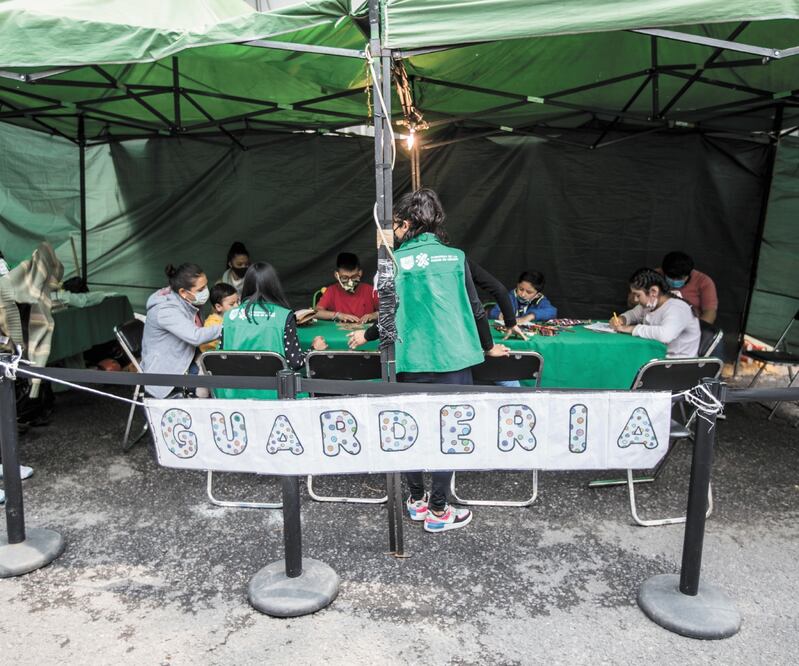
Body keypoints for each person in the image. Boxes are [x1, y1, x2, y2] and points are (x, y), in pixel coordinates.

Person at [348, 188, 510, 533]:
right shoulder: (456, 257)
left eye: (397, 223)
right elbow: (477, 308)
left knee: (408, 429)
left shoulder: (393, 261)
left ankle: (417, 499)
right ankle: (439, 510)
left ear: (406, 223)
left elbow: (389, 313)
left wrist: (367, 335)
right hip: (452, 360)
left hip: (408, 359)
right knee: (448, 433)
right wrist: (488, 346)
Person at [218, 262, 327, 400]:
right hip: (276, 396)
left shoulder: (229, 316)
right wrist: (313, 349)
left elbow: (220, 357)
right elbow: (295, 363)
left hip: (234, 395)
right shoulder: (284, 315)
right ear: (274, 285)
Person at [142, 263, 221, 398]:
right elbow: (195, 336)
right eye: (201, 289)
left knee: (218, 365)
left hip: (185, 357)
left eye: (206, 286)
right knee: (217, 376)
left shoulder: (188, 302)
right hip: (168, 371)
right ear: (183, 292)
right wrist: (229, 327)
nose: (206, 291)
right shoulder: (166, 310)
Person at [611, 268, 700, 357]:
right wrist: (622, 319)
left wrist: (630, 329)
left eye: (638, 295)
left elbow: (665, 335)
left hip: (677, 364)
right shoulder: (651, 303)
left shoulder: (677, 308)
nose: (635, 299)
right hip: (657, 357)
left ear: (653, 292)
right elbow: (633, 314)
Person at [315, 252, 379, 324]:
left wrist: (374, 315)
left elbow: (387, 311)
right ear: (337, 275)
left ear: (360, 273)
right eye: (345, 278)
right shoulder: (332, 291)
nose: (350, 282)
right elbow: (316, 312)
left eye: (354, 277)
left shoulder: (371, 290)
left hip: (365, 333)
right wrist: (338, 315)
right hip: (338, 333)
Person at [660, 251, 718, 324]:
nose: (675, 281)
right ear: (663, 271)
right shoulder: (654, 277)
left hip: (690, 324)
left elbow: (710, 312)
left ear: (689, 273)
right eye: (671, 278)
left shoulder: (704, 281)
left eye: (680, 278)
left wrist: (697, 330)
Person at [488, 270, 557, 323]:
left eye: (529, 292)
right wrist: (499, 315)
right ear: (517, 285)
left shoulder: (541, 300)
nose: (523, 294)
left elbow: (552, 311)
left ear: (537, 294)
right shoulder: (509, 297)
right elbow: (493, 312)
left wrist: (531, 316)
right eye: (521, 289)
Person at [199, 283, 239, 354]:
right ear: (218, 307)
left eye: (238, 301)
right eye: (232, 304)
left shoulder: (238, 317)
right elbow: (208, 350)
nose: (237, 306)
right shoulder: (211, 325)